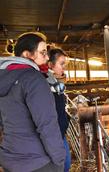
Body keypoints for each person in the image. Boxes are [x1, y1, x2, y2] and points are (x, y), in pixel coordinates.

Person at [0, 32, 65, 172]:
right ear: (27, 55)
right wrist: (60, 159)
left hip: (9, 158)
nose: (47, 57)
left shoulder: (4, 78)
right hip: (36, 162)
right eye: (42, 53)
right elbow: (47, 124)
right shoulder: (34, 78)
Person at [47, 48, 71, 172]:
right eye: (61, 64)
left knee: (66, 164)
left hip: (60, 133)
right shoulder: (44, 84)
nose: (64, 68)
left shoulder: (54, 82)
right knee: (63, 165)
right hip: (53, 135)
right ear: (50, 64)